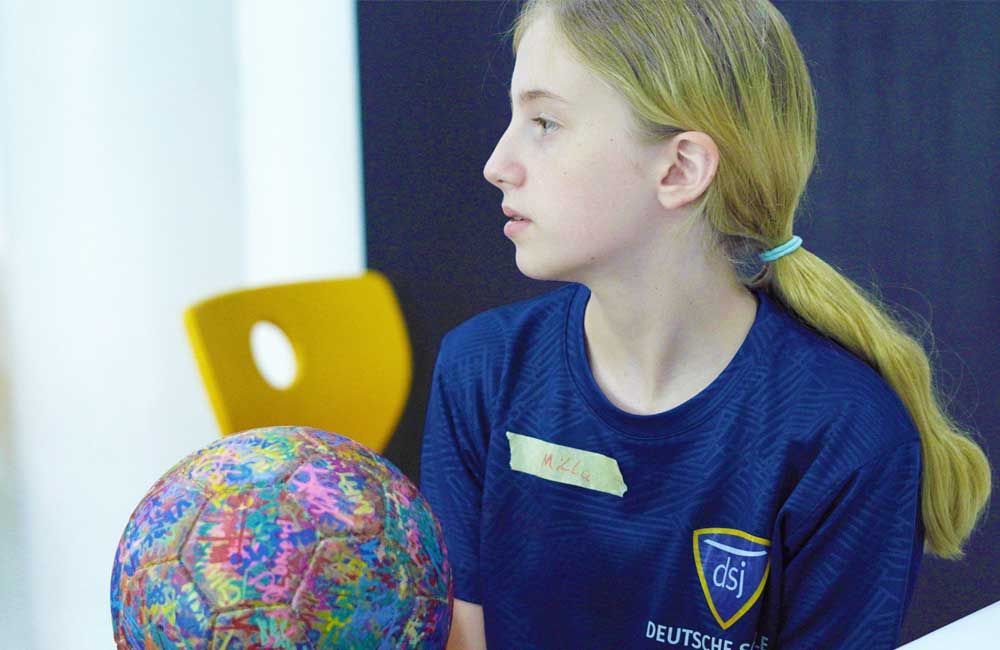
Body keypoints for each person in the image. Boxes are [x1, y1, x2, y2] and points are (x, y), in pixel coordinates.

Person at [419, 1, 992, 648]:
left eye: (545, 122)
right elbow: (464, 632)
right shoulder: (480, 371)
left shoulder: (850, 438)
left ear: (680, 169)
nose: (498, 162)